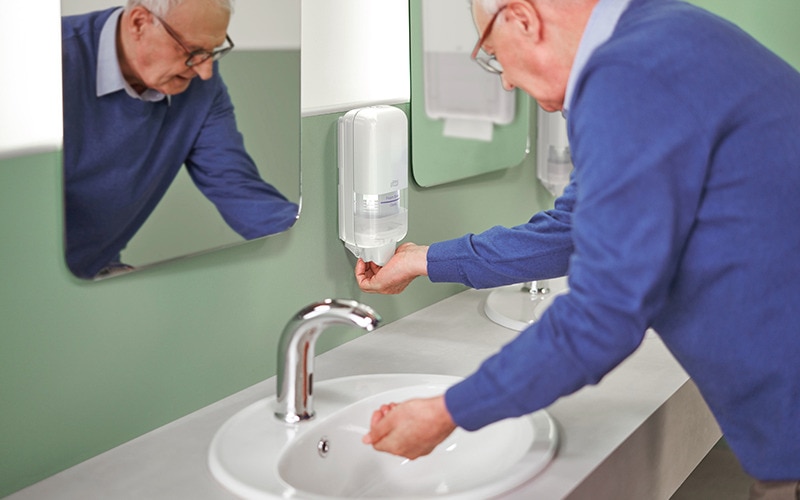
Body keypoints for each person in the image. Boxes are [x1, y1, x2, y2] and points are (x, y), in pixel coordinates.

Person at [356, 0, 800, 497]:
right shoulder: (658, 36)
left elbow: (604, 314)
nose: (505, 82)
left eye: (495, 56)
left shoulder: (628, 73)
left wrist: (448, 411)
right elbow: (572, 225)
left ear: (522, 19)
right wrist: (426, 259)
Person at [61, 0, 299, 279]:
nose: (205, 71)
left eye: (212, 51)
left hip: (92, 274)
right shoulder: (44, 60)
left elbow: (239, 189)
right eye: (193, 51)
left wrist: (324, 240)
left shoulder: (200, 84)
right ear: (139, 22)